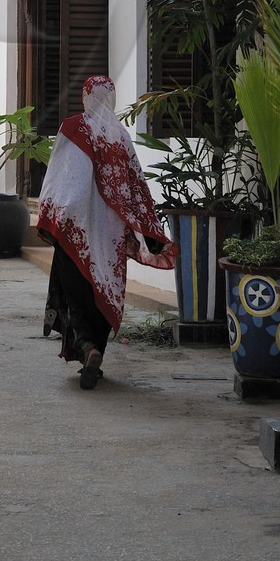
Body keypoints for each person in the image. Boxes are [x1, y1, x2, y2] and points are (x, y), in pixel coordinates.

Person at [36, 75, 177, 390]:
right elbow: (137, 188)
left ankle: (88, 348)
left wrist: (52, 218)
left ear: (86, 98)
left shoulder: (72, 128)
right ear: (111, 99)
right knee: (104, 291)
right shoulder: (121, 137)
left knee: (75, 290)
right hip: (110, 237)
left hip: (76, 232)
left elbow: (58, 179)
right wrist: (148, 230)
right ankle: (94, 350)